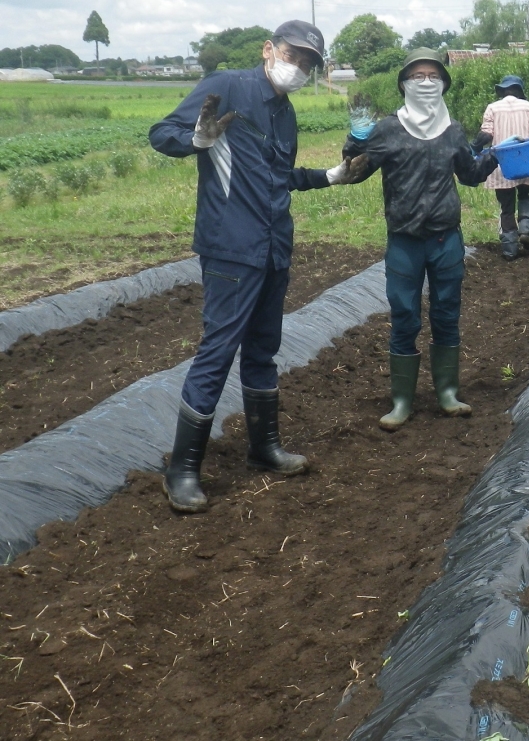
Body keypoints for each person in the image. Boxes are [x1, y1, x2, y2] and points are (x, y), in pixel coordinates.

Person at [149, 20, 366, 513]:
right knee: (217, 351)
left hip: (273, 248)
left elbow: (278, 176)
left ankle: (263, 447)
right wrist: (197, 139)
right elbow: (161, 133)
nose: (299, 67)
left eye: (309, 63)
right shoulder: (228, 87)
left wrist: (331, 176)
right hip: (231, 246)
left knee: (263, 350)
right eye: (293, 55)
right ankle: (182, 469)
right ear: (269, 49)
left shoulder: (285, 114)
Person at [342, 48, 499, 431]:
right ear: (404, 84)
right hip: (405, 241)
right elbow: (355, 173)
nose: (426, 83)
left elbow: (469, 175)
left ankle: (448, 393)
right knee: (404, 315)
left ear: (443, 84)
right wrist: (356, 140)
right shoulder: (388, 129)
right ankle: (401, 401)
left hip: (446, 240)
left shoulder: (453, 129)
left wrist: (496, 156)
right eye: (418, 76)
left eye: (433, 76)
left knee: (446, 313)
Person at [475, 74, 529, 260]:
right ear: (519, 91)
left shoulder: (493, 108)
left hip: (502, 164)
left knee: (506, 208)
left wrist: (474, 148)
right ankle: (526, 231)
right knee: (525, 196)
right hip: (525, 161)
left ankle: (509, 250)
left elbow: (486, 135)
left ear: (502, 92)